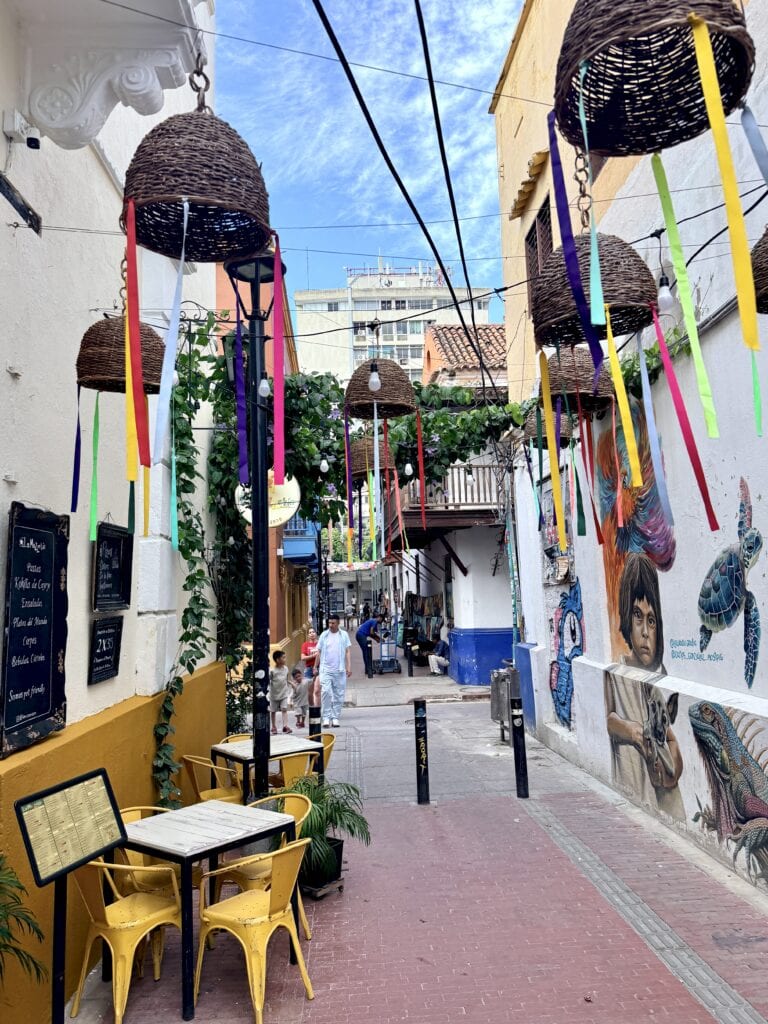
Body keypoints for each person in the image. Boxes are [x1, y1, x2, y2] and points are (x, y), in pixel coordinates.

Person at [604, 553, 684, 819]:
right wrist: (634, 731)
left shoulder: (657, 680)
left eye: (651, 620)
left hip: (662, 801)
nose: (646, 632)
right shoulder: (616, 670)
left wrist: (671, 773)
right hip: (632, 791)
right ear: (627, 619)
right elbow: (611, 720)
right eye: (638, 617)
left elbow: (671, 740)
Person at [317, 612, 352, 728]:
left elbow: (347, 651)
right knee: (326, 692)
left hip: (340, 670)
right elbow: (319, 651)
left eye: (333, 623)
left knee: (339, 694)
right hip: (325, 669)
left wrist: (349, 666)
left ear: (338, 623)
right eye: (329, 623)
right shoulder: (324, 635)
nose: (330, 625)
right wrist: (314, 667)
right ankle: (326, 717)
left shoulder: (344, 635)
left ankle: (335, 717)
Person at [269, 650, 292, 735]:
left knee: (284, 709)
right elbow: (269, 681)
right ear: (278, 660)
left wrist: (291, 685)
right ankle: (274, 727)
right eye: (283, 657)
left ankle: (285, 726)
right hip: (274, 694)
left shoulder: (286, 669)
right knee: (273, 711)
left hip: (284, 693)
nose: (285, 659)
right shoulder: (272, 671)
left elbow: (286, 679)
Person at [356, 613, 383, 677]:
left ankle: (367, 669)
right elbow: (371, 632)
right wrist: (379, 638)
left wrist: (377, 639)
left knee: (365, 652)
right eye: (382, 620)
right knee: (366, 652)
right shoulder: (374, 621)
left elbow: (370, 634)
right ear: (379, 617)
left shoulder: (372, 621)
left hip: (360, 635)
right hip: (361, 635)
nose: (381, 622)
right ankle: (368, 670)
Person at [301, 627, 320, 707]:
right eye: (310, 632)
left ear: (316, 633)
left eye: (313, 632)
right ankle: (312, 707)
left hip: (319, 668)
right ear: (308, 635)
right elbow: (302, 658)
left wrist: (316, 656)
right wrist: (314, 656)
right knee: (309, 692)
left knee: (317, 690)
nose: (312, 633)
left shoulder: (320, 643)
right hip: (309, 669)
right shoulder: (305, 645)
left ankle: (317, 707)